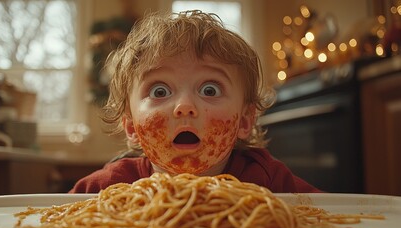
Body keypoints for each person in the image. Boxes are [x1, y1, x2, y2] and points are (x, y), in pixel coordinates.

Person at [70, 10, 321, 193]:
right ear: (132, 127)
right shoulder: (112, 185)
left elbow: (331, 216)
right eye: (159, 91)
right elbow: (53, 218)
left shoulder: (266, 179)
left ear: (244, 121)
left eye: (209, 90)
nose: (184, 106)